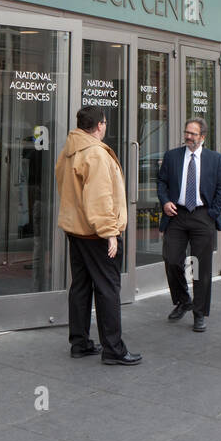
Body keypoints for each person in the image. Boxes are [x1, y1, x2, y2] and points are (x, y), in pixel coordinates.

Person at [55, 105, 141, 366]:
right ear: (100, 125)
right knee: (107, 289)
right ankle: (113, 349)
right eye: (104, 123)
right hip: (96, 234)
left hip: (76, 230)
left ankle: (79, 343)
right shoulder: (96, 154)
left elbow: (64, 186)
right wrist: (110, 234)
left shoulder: (69, 151)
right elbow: (100, 198)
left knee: (80, 286)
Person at [157, 117, 221, 331]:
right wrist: (165, 201)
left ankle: (199, 313)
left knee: (200, 267)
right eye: (187, 132)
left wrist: (212, 213)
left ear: (203, 137)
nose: (188, 136)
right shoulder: (172, 156)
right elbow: (161, 182)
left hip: (202, 215)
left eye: (193, 134)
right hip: (176, 214)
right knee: (171, 259)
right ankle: (183, 300)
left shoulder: (214, 159)